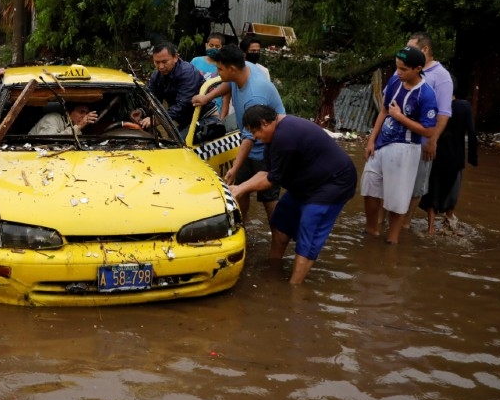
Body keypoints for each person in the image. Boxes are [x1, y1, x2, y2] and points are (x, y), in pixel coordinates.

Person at [230, 105, 357, 284]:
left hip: (331, 185)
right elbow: (266, 172)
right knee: (281, 222)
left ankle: (293, 291)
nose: (255, 138)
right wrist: (238, 187)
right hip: (305, 184)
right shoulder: (272, 138)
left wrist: (242, 189)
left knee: (308, 233)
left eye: (255, 133)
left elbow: (270, 180)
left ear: (264, 124)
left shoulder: (285, 137)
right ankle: (273, 272)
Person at [192, 44, 287, 249]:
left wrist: (234, 168)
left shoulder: (255, 96)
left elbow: (248, 138)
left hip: (268, 148)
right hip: (252, 141)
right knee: (240, 191)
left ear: (232, 68)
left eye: (219, 69)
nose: (217, 73)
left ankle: (278, 247)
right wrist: (207, 97)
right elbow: (229, 84)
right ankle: (240, 231)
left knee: (269, 200)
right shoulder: (243, 69)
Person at [361, 46, 439, 244]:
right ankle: (372, 231)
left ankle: (392, 240)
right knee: (369, 187)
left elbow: (428, 130)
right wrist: (371, 140)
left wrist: (400, 117)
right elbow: (384, 110)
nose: (398, 72)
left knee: (397, 197)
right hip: (381, 144)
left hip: (405, 148)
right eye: (397, 68)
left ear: (417, 69)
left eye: (403, 69)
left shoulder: (426, 94)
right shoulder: (396, 80)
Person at [403, 32, 454, 225]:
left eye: (412, 48)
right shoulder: (404, 69)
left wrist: (432, 141)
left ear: (425, 50)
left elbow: (443, 113)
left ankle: (406, 223)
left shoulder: (441, 76)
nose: (407, 53)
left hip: (422, 142)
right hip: (398, 139)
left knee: (416, 186)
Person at [419, 77, 478, 233]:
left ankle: (430, 227)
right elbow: (471, 132)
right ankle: (450, 223)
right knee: (452, 190)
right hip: (455, 157)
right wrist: (473, 158)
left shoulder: (435, 106)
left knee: (432, 190)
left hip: (434, 154)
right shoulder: (464, 106)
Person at [140, 42, 217, 134]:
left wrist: (157, 119)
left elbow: (183, 104)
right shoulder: (156, 76)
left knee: (182, 145)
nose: (160, 66)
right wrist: (141, 112)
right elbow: (152, 100)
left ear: (175, 57)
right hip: (186, 121)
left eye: (164, 62)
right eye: (157, 62)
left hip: (206, 117)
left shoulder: (188, 73)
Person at [28, 101, 99, 135]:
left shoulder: (78, 130)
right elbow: (49, 141)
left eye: (86, 113)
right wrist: (79, 126)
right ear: (67, 112)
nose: (84, 116)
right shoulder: (51, 118)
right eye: (81, 112)